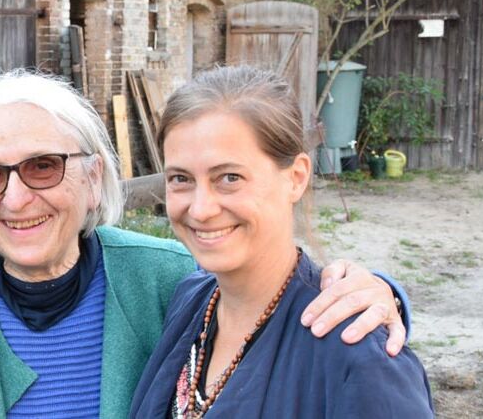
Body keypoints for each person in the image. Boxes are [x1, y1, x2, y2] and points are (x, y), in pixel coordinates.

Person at [0, 70, 409, 418]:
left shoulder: (166, 280)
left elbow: (279, 297)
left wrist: (381, 295)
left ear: (92, 177)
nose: (16, 199)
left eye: (44, 166)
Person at [130, 66, 432, 418]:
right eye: (181, 178)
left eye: (229, 177)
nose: (200, 209)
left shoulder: (358, 356)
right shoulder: (190, 300)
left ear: (296, 178)